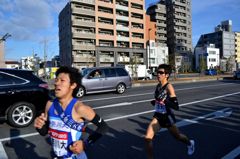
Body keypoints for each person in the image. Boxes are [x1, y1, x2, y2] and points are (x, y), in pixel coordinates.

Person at [34, 66, 108, 159]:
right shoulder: (49, 104)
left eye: (62, 80)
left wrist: (85, 144)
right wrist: (39, 126)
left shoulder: (79, 108)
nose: (57, 83)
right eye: (56, 80)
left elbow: (104, 127)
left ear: (73, 85)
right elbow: (45, 132)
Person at [144, 64, 195, 159]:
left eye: (161, 73)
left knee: (178, 137)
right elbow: (159, 100)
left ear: (166, 75)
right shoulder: (158, 86)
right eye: (157, 72)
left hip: (167, 117)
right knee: (147, 138)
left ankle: (190, 143)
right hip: (158, 116)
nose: (158, 74)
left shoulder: (169, 87)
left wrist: (165, 101)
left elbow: (176, 106)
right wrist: (155, 102)